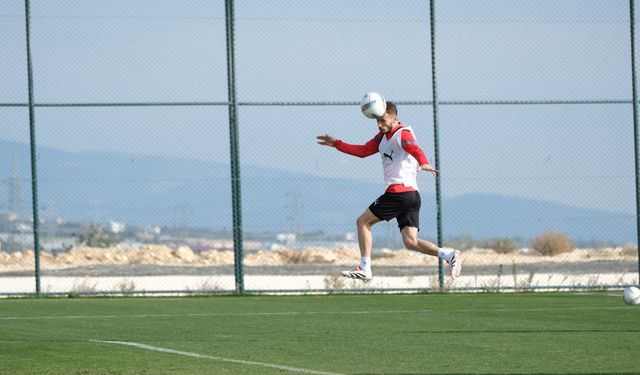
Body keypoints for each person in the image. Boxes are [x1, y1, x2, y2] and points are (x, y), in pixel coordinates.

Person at [316, 101, 462, 281]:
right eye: (377, 121)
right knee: (411, 242)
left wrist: (423, 162)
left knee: (363, 222)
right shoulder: (381, 138)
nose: (379, 124)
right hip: (412, 196)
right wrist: (336, 143)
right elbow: (362, 151)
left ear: (395, 118)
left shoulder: (403, 133)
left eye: (383, 120)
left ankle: (364, 267)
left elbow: (414, 148)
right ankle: (448, 255)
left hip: (398, 193)